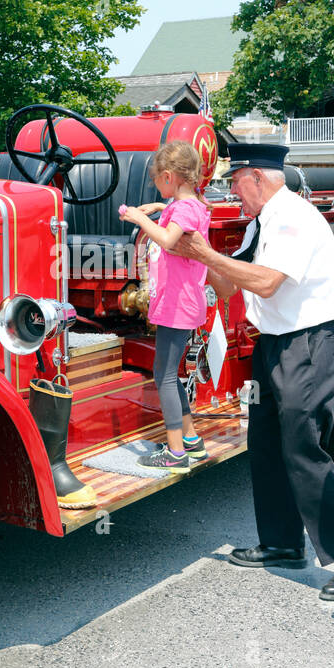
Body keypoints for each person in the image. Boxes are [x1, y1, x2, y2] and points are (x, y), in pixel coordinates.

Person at [170, 144, 334, 601]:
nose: (233, 193)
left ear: (257, 178)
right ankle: (284, 543)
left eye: (235, 182)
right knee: (265, 443)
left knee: (303, 447)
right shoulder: (262, 222)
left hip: (306, 342)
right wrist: (186, 254)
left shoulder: (291, 218)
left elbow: (265, 282)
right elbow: (231, 282)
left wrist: (204, 253)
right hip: (277, 342)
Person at [120, 142, 212, 471]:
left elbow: (168, 240)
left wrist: (136, 217)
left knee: (164, 376)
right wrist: (158, 206)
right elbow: (178, 210)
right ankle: (191, 442)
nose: (156, 184)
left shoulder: (185, 210)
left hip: (177, 304)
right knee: (170, 373)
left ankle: (175, 452)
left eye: (157, 180)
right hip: (181, 302)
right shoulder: (193, 204)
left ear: (169, 176)